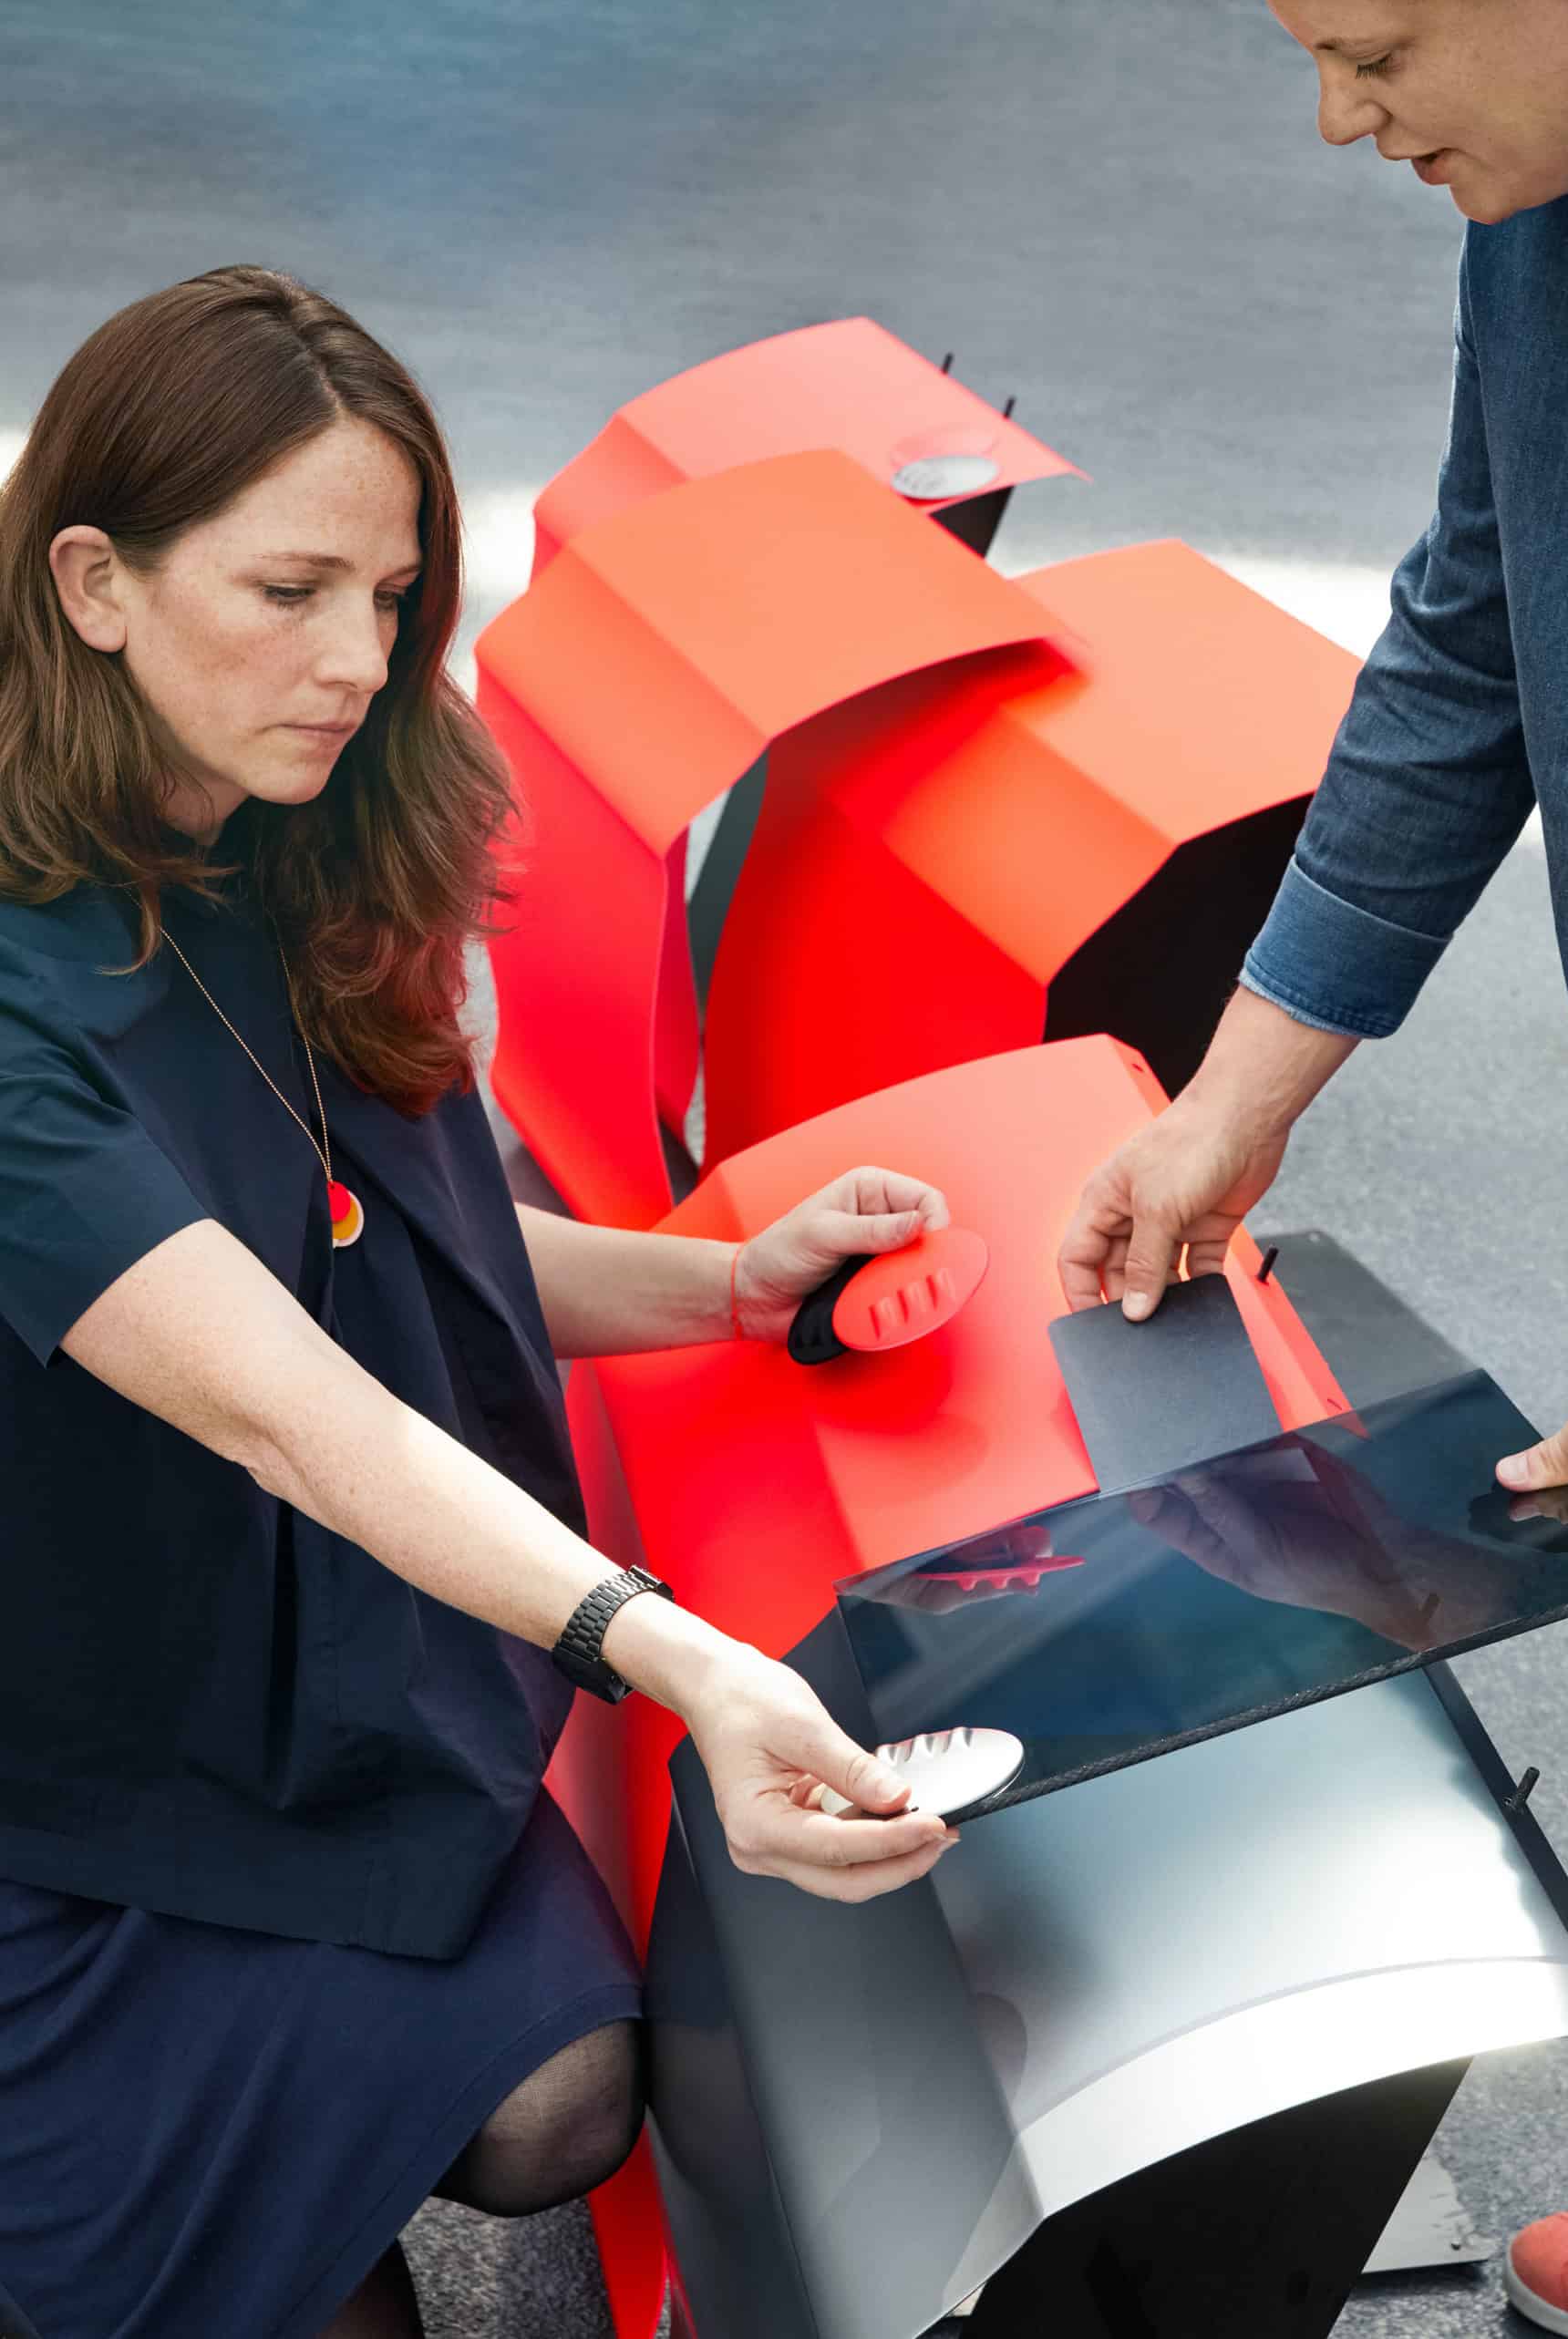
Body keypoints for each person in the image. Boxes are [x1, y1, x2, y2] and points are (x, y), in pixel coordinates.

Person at [0, 265, 960, 2339]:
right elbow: (280, 1396)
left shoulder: (294, 829)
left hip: (283, 1681)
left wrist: (728, 1285)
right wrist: (682, 1663)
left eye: (391, 595)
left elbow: (371, 1242)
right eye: (289, 592)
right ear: (93, 583)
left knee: (553, 2104)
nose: (359, 662)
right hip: (58, 1752)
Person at [1057, 0, 1568, 2329]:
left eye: (1373, 50)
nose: (1343, 120)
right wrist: (1234, 1101)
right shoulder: (1550, 218)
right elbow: (1467, 634)